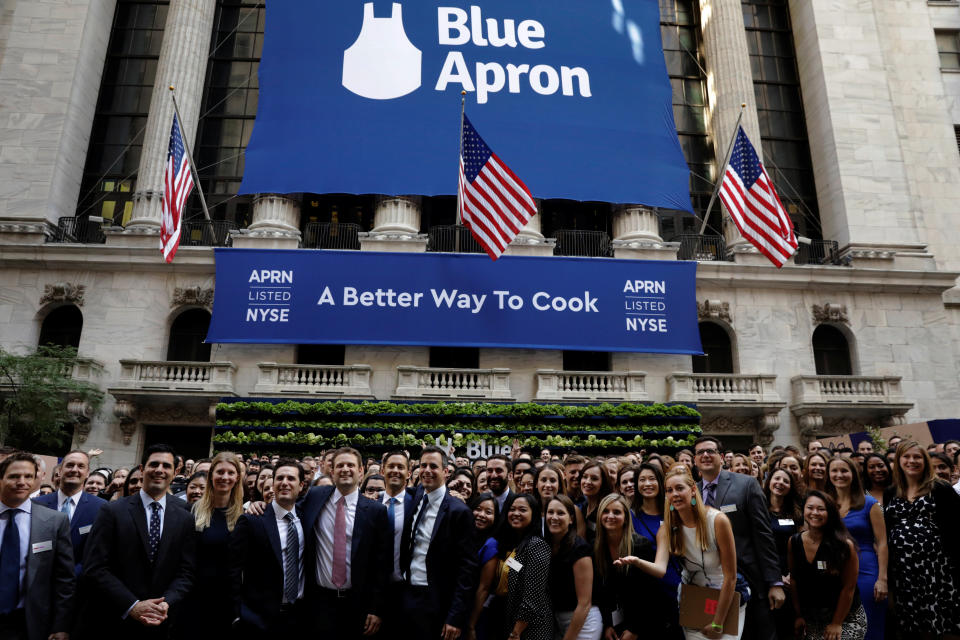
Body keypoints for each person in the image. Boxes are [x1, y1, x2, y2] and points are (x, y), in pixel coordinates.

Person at [81, 443, 197, 638]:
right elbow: (95, 567)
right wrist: (132, 605)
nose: (160, 470)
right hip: (117, 619)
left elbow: (187, 570)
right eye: (154, 464)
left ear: (175, 471)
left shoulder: (185, 514)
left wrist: (166, 602)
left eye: (166, 466)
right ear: (143, 469)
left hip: (164, 621)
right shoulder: (112, 511)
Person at [693, 436, 784, 640]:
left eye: (711, 451)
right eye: (700, 452)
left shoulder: (747, 484)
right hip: (709, 584)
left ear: (722, 457)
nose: (705, 455)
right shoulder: (692, 493)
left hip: (750, 578)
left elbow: (763, 535)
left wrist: (775, 582)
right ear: (694, 460)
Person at [299, 447, 390, 639]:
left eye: (351, 465)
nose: (345, 469)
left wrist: (376, 607)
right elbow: (287, 507)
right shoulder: (315, 497)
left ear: (361, 471)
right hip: (320, 602)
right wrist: (260, 505)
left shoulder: (376, 511)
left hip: (358, 604)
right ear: (331, 472)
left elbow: (381, 565)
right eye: (340, 465)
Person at [883, 441, 960, 637]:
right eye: (906, 456)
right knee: (914, 626)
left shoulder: (940, 488)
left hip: (938, 570)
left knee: (945, 624)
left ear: (925, 460)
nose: (912, 461)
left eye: (917, 457)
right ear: (899, 460)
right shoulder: (891, 491)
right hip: (904, 571)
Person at [401, 446, 478, 640]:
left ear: (445, 471)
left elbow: (467, 570)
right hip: (407, 595)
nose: (427, 470)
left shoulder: (458, 511)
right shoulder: (417, 496)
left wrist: (455, 616)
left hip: (437, 602)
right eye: (423, 465)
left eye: (433, 466)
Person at [0, 452, 75, 640]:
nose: (22, 482)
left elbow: (64, 578)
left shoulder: (54, 522)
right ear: (1, 479)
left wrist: (61, 624)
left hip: (28, 622)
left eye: (28, 476)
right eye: (14, 476)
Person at [230, 459, 306, 636]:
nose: (284, 482)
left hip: (299, 616)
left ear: (301, 485)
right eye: (279, 478)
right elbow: (232, 570)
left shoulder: (308, 517)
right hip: (258, 619)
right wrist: (237, 613)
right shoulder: (252, 520)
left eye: (291, 478)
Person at [596, 493, 677, 639]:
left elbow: (649, 594)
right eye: (606, 511)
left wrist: (635, 630)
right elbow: (602, 593)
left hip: (644, 624)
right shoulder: (596, 548)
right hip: (615, 623)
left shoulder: (640, 545)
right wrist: (607, 625)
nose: (610, 516)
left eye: (617, 512)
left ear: (626, 518)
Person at [181, 452, 244, 638]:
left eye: (230, 473)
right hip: (194, 597)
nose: (225, 477)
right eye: (220, 472)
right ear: (211, 476)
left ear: (237, 478)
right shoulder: (190, 511)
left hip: (229, 600)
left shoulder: (246, 515)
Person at [788, 491, 866, 640]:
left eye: (821, 509)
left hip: (845, 617)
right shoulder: (794, 542)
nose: (815, 513)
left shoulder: (844, 546)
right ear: (803, 510)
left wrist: (837, 623)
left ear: (830, 513)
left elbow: (848, 588)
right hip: (812, 618)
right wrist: (798, 615)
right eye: (810, 507)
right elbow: (794, 580)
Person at [824, 456, 887, 640]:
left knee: (868, 626)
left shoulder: (869, 503)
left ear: (854, 474)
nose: (839, 475)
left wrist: (882, 578)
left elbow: (882, 542)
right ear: (828, 475)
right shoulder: (825, 505)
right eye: (834, 471)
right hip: (834, 573)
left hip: (866, 572)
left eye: (844, 470)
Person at [33, 449, 107, 575]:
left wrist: (72, 576)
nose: (74, 470)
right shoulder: (36, 504)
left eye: (81, 466)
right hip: (39, 581)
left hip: (80, 584)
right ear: (60, 471)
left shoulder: (101, 507)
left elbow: (98, 552)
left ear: (87, 473)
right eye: (70, 465)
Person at [545, 495, 602, 640]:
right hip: (558, 620)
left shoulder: (579, 549)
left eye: (560, 513)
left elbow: (584, 603)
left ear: (571, 519)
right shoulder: (547, 545)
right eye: (550, 512)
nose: (554, 517)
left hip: (584, 622)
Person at [629, 463, 683, 605]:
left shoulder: (674, 512)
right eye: (642, 480)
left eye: (652, 479)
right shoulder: (630, 517)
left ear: (660, 482)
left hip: (677, 584)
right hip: (647, 589)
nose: (647, 483)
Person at [500, 494, 552, 640]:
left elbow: (533, 595)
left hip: (532, 629)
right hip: (514, 624)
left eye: (522, 510)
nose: (516, 513)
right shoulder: (516, 545)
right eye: (512, 509)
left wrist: (516, 632)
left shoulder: (537, 545)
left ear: (533, 514)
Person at [762, 468, 801, 640]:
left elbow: (802, 546)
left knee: (788, 628)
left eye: (786, 481)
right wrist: (775, 576)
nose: (780, 483)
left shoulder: (796, 512)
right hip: (766, 573)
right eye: (776, 478)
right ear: (769, 481)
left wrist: (791, 575)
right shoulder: (759, 510)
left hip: (790, 574)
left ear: (790, 487)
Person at [379, 451, 413, 638]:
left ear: (408, 473)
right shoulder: (369, 504)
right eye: (391, 466)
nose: (395, 470)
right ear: (383, 470)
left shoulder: (417, 503)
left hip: (406, 589)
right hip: (375, 591)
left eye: (400, 467)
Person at [578, 460, 613, 544]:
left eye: (594, 479)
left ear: (603, 482)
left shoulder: (607, 510)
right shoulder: (584, 506)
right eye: (585, 477)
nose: (587, 482)